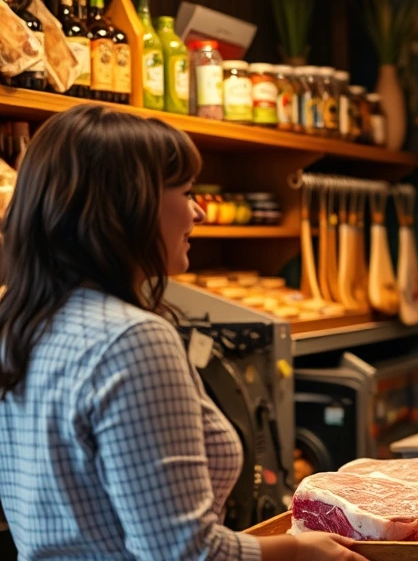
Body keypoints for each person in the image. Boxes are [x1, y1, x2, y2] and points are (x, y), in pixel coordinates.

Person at [0, 105, 366, 561]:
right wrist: (300, 552)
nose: (198, 212)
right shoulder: (131, 339)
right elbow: (183, 552)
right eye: (187, 192)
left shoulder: (21, 323)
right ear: (127, 205)